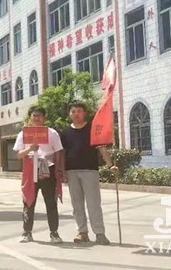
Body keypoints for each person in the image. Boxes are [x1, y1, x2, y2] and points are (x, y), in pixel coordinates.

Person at [60, 102, 118, 245]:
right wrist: (62, 171)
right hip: (71, 171)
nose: (76, 114)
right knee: (77, 204)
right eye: (73, 111)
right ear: (69, 114)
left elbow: (102, 148)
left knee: (94, 203)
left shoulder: (93, 129)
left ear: (84, 113)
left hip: (90, 170)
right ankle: (82, 232)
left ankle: (99, 233)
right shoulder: (65, 132)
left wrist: (110, 165)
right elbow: (62, 153)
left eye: (79, 111)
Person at [14, 106, 63, 244]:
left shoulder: (52, 133)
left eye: (39, 115)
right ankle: (27, 232)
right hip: (30, 170)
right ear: (30, 117)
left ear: (44, 118)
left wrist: (59, 170)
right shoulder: (23, 134)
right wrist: (30, 148)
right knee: (28, 202)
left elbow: (58, 152)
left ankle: (54, 233)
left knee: (51, 202)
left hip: (48, 169)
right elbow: (18, 155)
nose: (36, 118)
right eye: (34, 115)